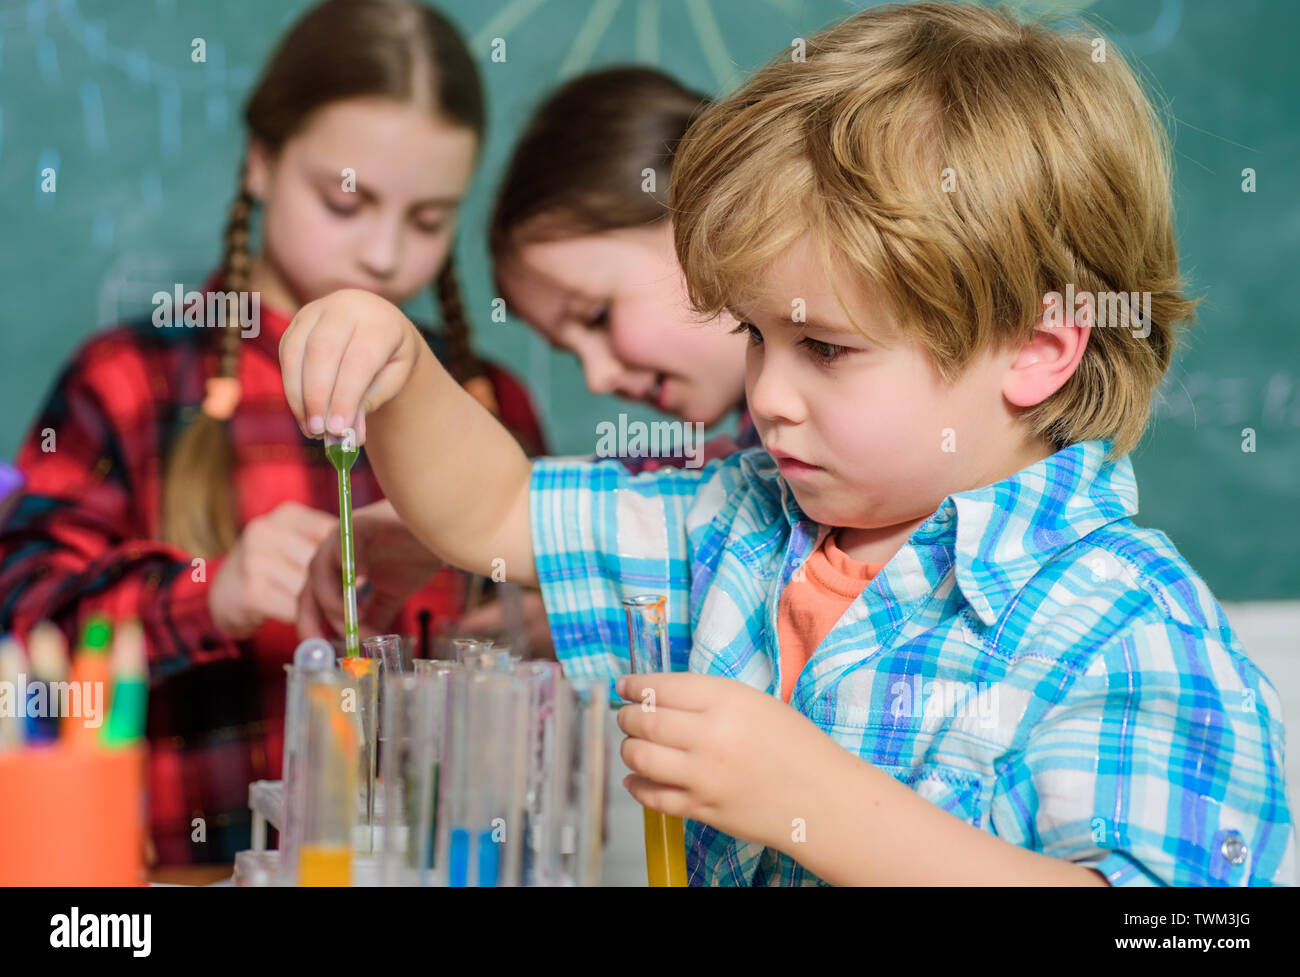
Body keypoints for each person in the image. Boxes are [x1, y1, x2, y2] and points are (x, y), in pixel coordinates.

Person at [279, 3, 1294, 884]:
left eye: (825, 347)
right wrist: (398, 362)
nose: (767, 394)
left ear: (1033, 350)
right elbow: (494, 510)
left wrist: (819, 799)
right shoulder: (741, 519)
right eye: (754, 337)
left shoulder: (1126, 623)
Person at [0, 0, 546, 864]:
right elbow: (22, 630)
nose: (383, 252)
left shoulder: (485, 404)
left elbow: (543, 651)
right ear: (261, 162)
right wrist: (208, 589)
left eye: (429, 220)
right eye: (346, 200)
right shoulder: (128, 381)